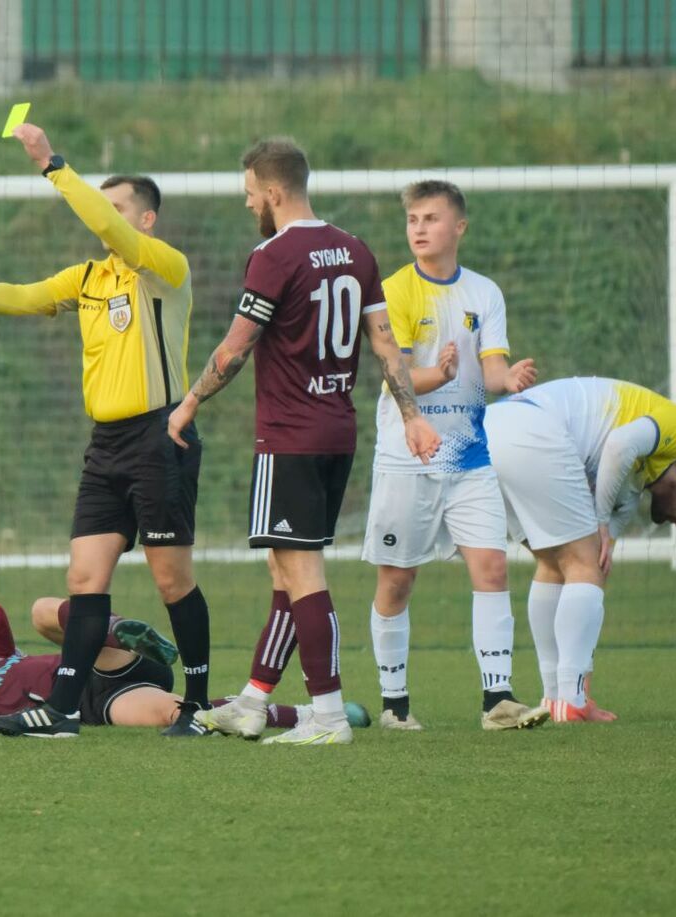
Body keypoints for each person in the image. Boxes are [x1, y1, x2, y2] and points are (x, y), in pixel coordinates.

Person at [0, 123, 211, 738]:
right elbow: (26, 296)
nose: (104, 220)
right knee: (84, 580)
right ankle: (61, 711)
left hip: (162, 438)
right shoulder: (88, 280)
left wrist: (53, 165)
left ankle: (199, 704)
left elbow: (109, 229)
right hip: (106, 447)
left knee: (170, 579)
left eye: (118, 208)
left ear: (146, 221)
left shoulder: (163, 270)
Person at [168, 138, 441, 746]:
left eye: (248, 194)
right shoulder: (356, 250)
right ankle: (254, 700)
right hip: (337, 433)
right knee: (284, 568)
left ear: (272, 192)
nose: (247, 205)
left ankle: (327, 714)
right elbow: (385, 345)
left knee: (303, 571)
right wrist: (413, 416)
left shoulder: (273, 255)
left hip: (290, 436)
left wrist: (188, 402)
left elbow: (235, 349)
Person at [361, 181, 548, 733]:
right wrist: (436, 375)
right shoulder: (392, 290)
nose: (418, 228)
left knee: (491, 568)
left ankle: (499, 701)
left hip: (468, 454)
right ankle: (395, 705)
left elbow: (489, 369)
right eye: (412, 219)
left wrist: (507, 378)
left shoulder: (485, 293)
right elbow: (392, 373)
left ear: (459, 228)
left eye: (431, 218)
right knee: (397, 581)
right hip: (406, 454)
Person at [483, 377, 676, 722]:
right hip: (533, 432)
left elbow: (613, 514)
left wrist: (605, 542)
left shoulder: (635, 479)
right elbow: (618, 445)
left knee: (554, 563)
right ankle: (574, 699)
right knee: (584, 565)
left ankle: (554, 696)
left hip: (492, 430)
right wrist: (599, 523)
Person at [0, 599, 320, 733]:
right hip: (107, 701)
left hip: (99, 664)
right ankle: (300, 714)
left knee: (41, 612)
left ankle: (116, 631)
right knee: (181, 713)